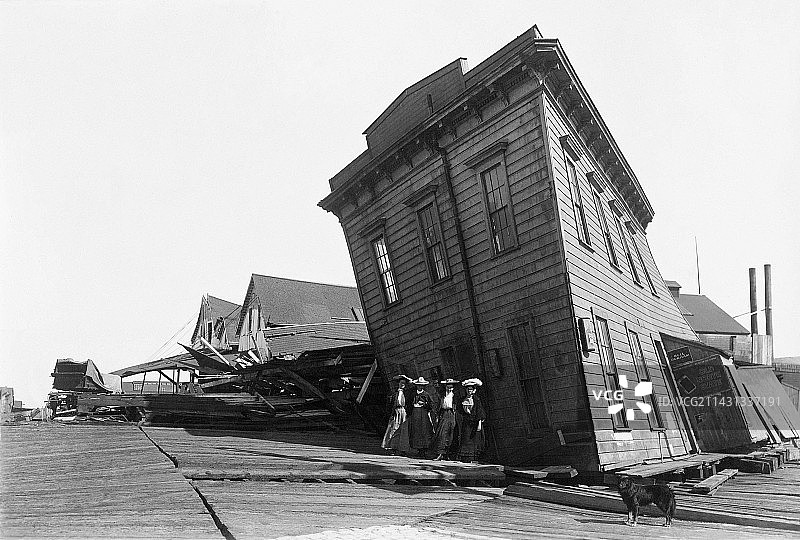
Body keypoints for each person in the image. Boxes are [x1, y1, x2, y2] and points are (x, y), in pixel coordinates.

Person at [457, 378, 486, 463]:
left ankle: (474, 458)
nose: (469, 391)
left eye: (471, 390)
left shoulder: (476, 400)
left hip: (475, 422)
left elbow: (480, 412)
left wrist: (479, 424)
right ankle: (466, 457)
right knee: (466, 438)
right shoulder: (463, 400)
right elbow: (459, 410)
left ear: (474, 390)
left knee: (475, 439)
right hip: (466, 422)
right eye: (468, 390)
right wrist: (465, 411)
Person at [381, 375, 411, 454]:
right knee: (394, 429)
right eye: (401, 383)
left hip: (404, 412)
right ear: (398, 383)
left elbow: (410, 403)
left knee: (403, 431)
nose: (402, 385)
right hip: (396, 411)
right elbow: (389, 404)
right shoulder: (394, 393)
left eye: (404, 383)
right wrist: (390, 413)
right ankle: (392, 448)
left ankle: (403, 449)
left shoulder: (407, 393)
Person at [407, 377, 435, 458]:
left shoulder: (426, 394)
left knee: (424, 431)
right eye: (419, 385)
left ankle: (423, 450)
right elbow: (408, 403)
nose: (420, 387)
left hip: (423, 414)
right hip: (415, 414)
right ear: (417, 386)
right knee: (416, 431)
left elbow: (432, 405)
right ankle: (418, 450)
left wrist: (424, 404)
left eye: (422, 385)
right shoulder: (413, 394)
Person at [431, 379, 459, 460]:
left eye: (451, 387)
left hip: (452, 414)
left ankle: (448, 454)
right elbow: (438, 404)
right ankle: (440, 453)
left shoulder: (455, 396)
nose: (449, 389)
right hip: (444, 414)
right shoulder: (442, 395)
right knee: (442, 433)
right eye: (448, 387)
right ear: (445, 387)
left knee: (451, 434)